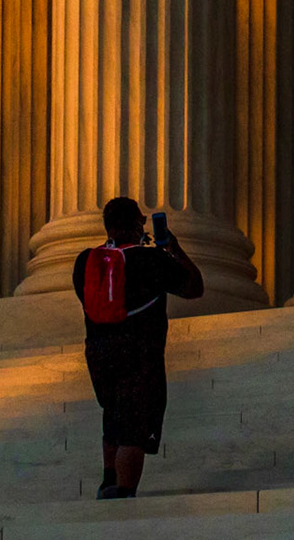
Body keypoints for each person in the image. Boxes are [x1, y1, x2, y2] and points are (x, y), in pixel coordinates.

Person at [74, 198, 205, 499]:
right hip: (139, 354)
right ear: (137, 225)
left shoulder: (85, 262)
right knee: (135, 424)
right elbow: (195, 287)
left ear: (107, 226)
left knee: (112, 414)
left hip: (98, 353)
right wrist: (173, 248)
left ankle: (108, 480)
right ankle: (123, 492)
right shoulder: (151, 261)